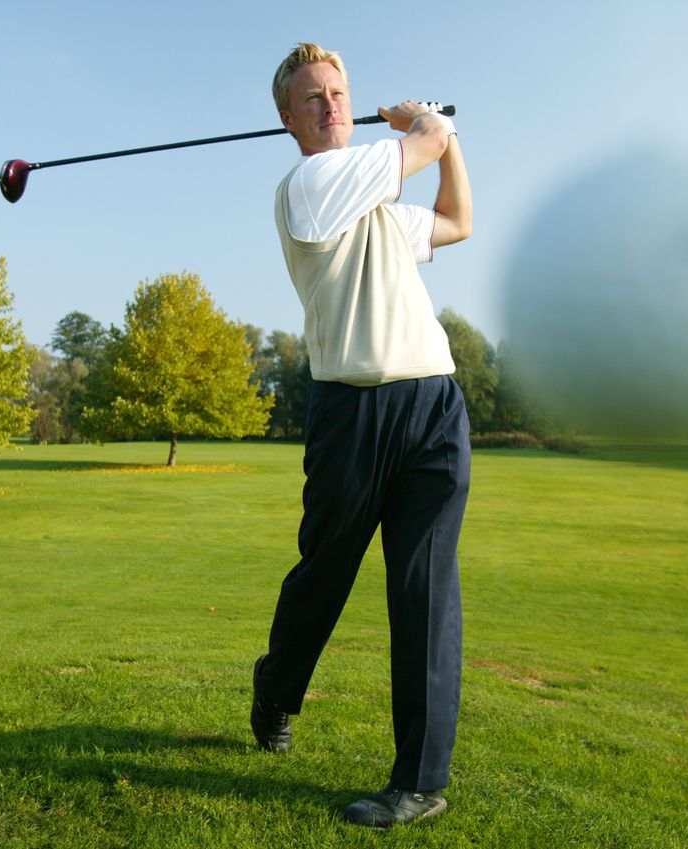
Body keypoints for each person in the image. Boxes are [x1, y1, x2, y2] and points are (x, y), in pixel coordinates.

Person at [250, 42, 473, 828]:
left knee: (425, 592)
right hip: (352, 413)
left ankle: (419, 780)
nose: (331, 106)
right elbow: (417, 147)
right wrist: (426, 126)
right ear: (288, 119)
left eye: (338, 92)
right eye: (312, 98)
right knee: (326, 573)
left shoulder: (376, 201)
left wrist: (449, 144)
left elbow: (456, 220)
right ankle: (276, 686)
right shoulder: (309, 184)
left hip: (432, 406)